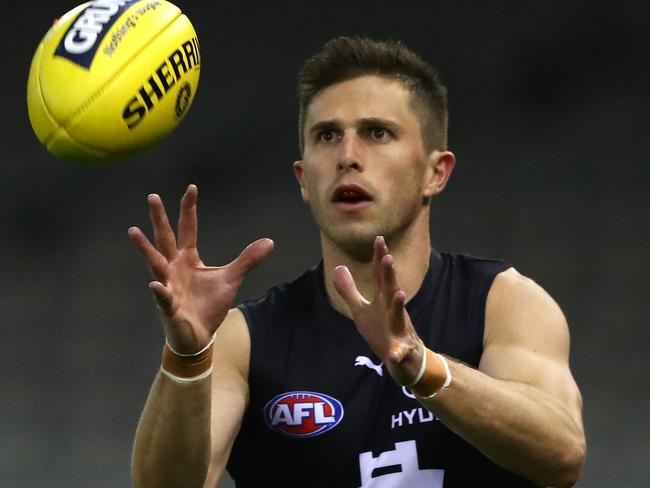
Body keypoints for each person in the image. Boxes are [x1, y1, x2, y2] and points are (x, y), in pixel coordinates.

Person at [129, 37, 585, 487]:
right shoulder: (243, 340)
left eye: (377, 133)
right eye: (327, 136)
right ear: (304, 179)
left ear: (435, 172)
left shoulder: (502, 303)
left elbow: (561, 456)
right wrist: (186, 360)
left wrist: (424, 370)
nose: (347, 157)